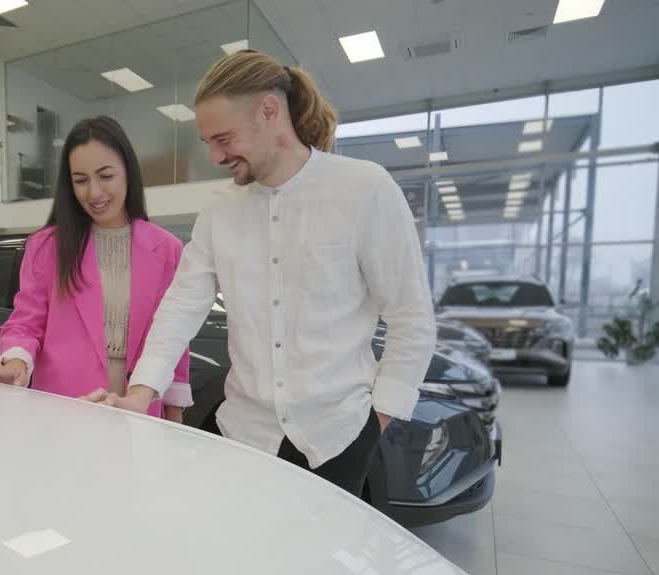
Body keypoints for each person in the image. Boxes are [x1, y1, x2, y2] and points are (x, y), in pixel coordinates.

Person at [84, 49, 436, 497]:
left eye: (223, 138)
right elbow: (181, 306)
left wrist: (378, 420)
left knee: (315, 564)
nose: (214, 156)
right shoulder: (220, 210)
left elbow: (412, 319)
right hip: (242, 432)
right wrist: (141, 392)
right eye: (208, 142)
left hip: (339, 437)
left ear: (270, 111)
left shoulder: (364, 189)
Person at [0, 116, 193, 421]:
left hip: (138, 413)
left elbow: (175, 341)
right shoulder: (47, 246)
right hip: (64, 410)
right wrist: (16, 364)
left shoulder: (168, 250)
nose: (94, 193)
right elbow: (25, 323)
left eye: (105, 176)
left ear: (128, 171)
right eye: (81, 180)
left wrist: (174, 418)